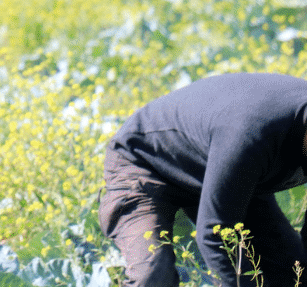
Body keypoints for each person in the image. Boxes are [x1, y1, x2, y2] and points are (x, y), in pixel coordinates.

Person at [99, 72, 307, 287]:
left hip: (223, 170)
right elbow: (215, 233)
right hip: (144, 163)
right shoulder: (251, 133)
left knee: (294, 272)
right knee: (153, 275)